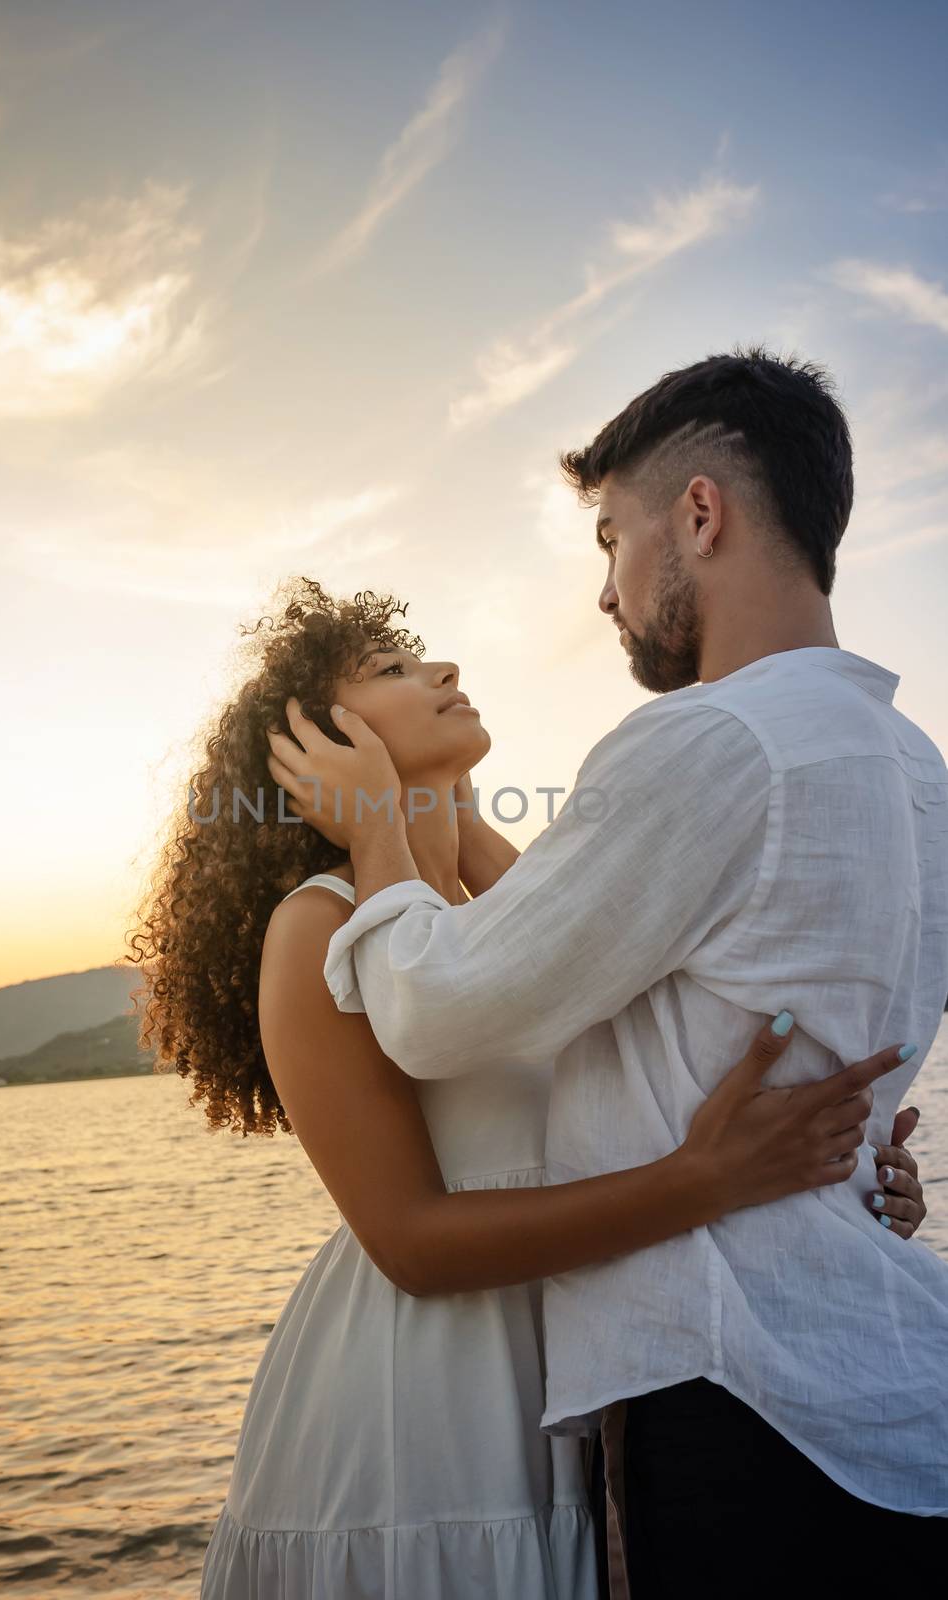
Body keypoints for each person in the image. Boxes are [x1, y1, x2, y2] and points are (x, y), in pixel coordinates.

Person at [267, 348, 948, 1595]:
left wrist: (379, 832)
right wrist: (865, 1180)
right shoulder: (915, 770)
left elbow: (436, 1006)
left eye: (608, 537)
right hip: (890, 1385)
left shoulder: (703, 741)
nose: (604, 593)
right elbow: (651, 971)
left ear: (698, 514)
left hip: (737, 1392)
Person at [126, 579, 925, 1600]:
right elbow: (411, 1241)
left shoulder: (503, 920)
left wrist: (848, 1173)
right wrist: (703, 1179)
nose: (444, 670)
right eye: (391, 672)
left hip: (583, 1384)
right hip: (425, 1403)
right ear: (318, 747)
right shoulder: (315, 928)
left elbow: (658, 1050)